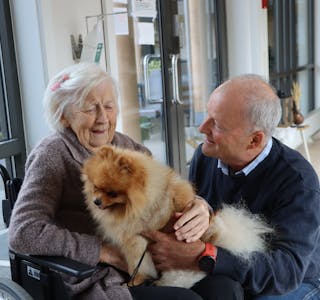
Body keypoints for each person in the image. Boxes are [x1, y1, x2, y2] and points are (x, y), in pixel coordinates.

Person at [8, 62, 211, 300]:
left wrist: (199, 206)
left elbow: (165, 190)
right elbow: (24, 232)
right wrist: (102, 252)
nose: (102, 118)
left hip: (149, 262)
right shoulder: (52, 154)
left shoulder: (127, 146)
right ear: (63, 116)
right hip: (98, 277)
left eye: (108, 106)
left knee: (223, 287)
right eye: (89, 108)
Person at [144, 74, 320, 299]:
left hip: (296, 281)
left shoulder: (298, 181)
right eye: (208, 115)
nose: (202, 128)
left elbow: (286, 273)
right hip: (229, 267)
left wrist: (205, 257)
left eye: (216, 124)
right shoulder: (206, 156)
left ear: (254, 140)